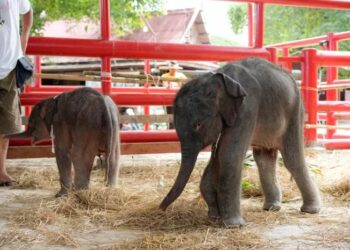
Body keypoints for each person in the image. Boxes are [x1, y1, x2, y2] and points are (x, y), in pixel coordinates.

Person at [0, 0, 33, 186]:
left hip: (10, 66)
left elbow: (28, 12)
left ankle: (1, 170)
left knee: (6, 124)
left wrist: (24, 39)